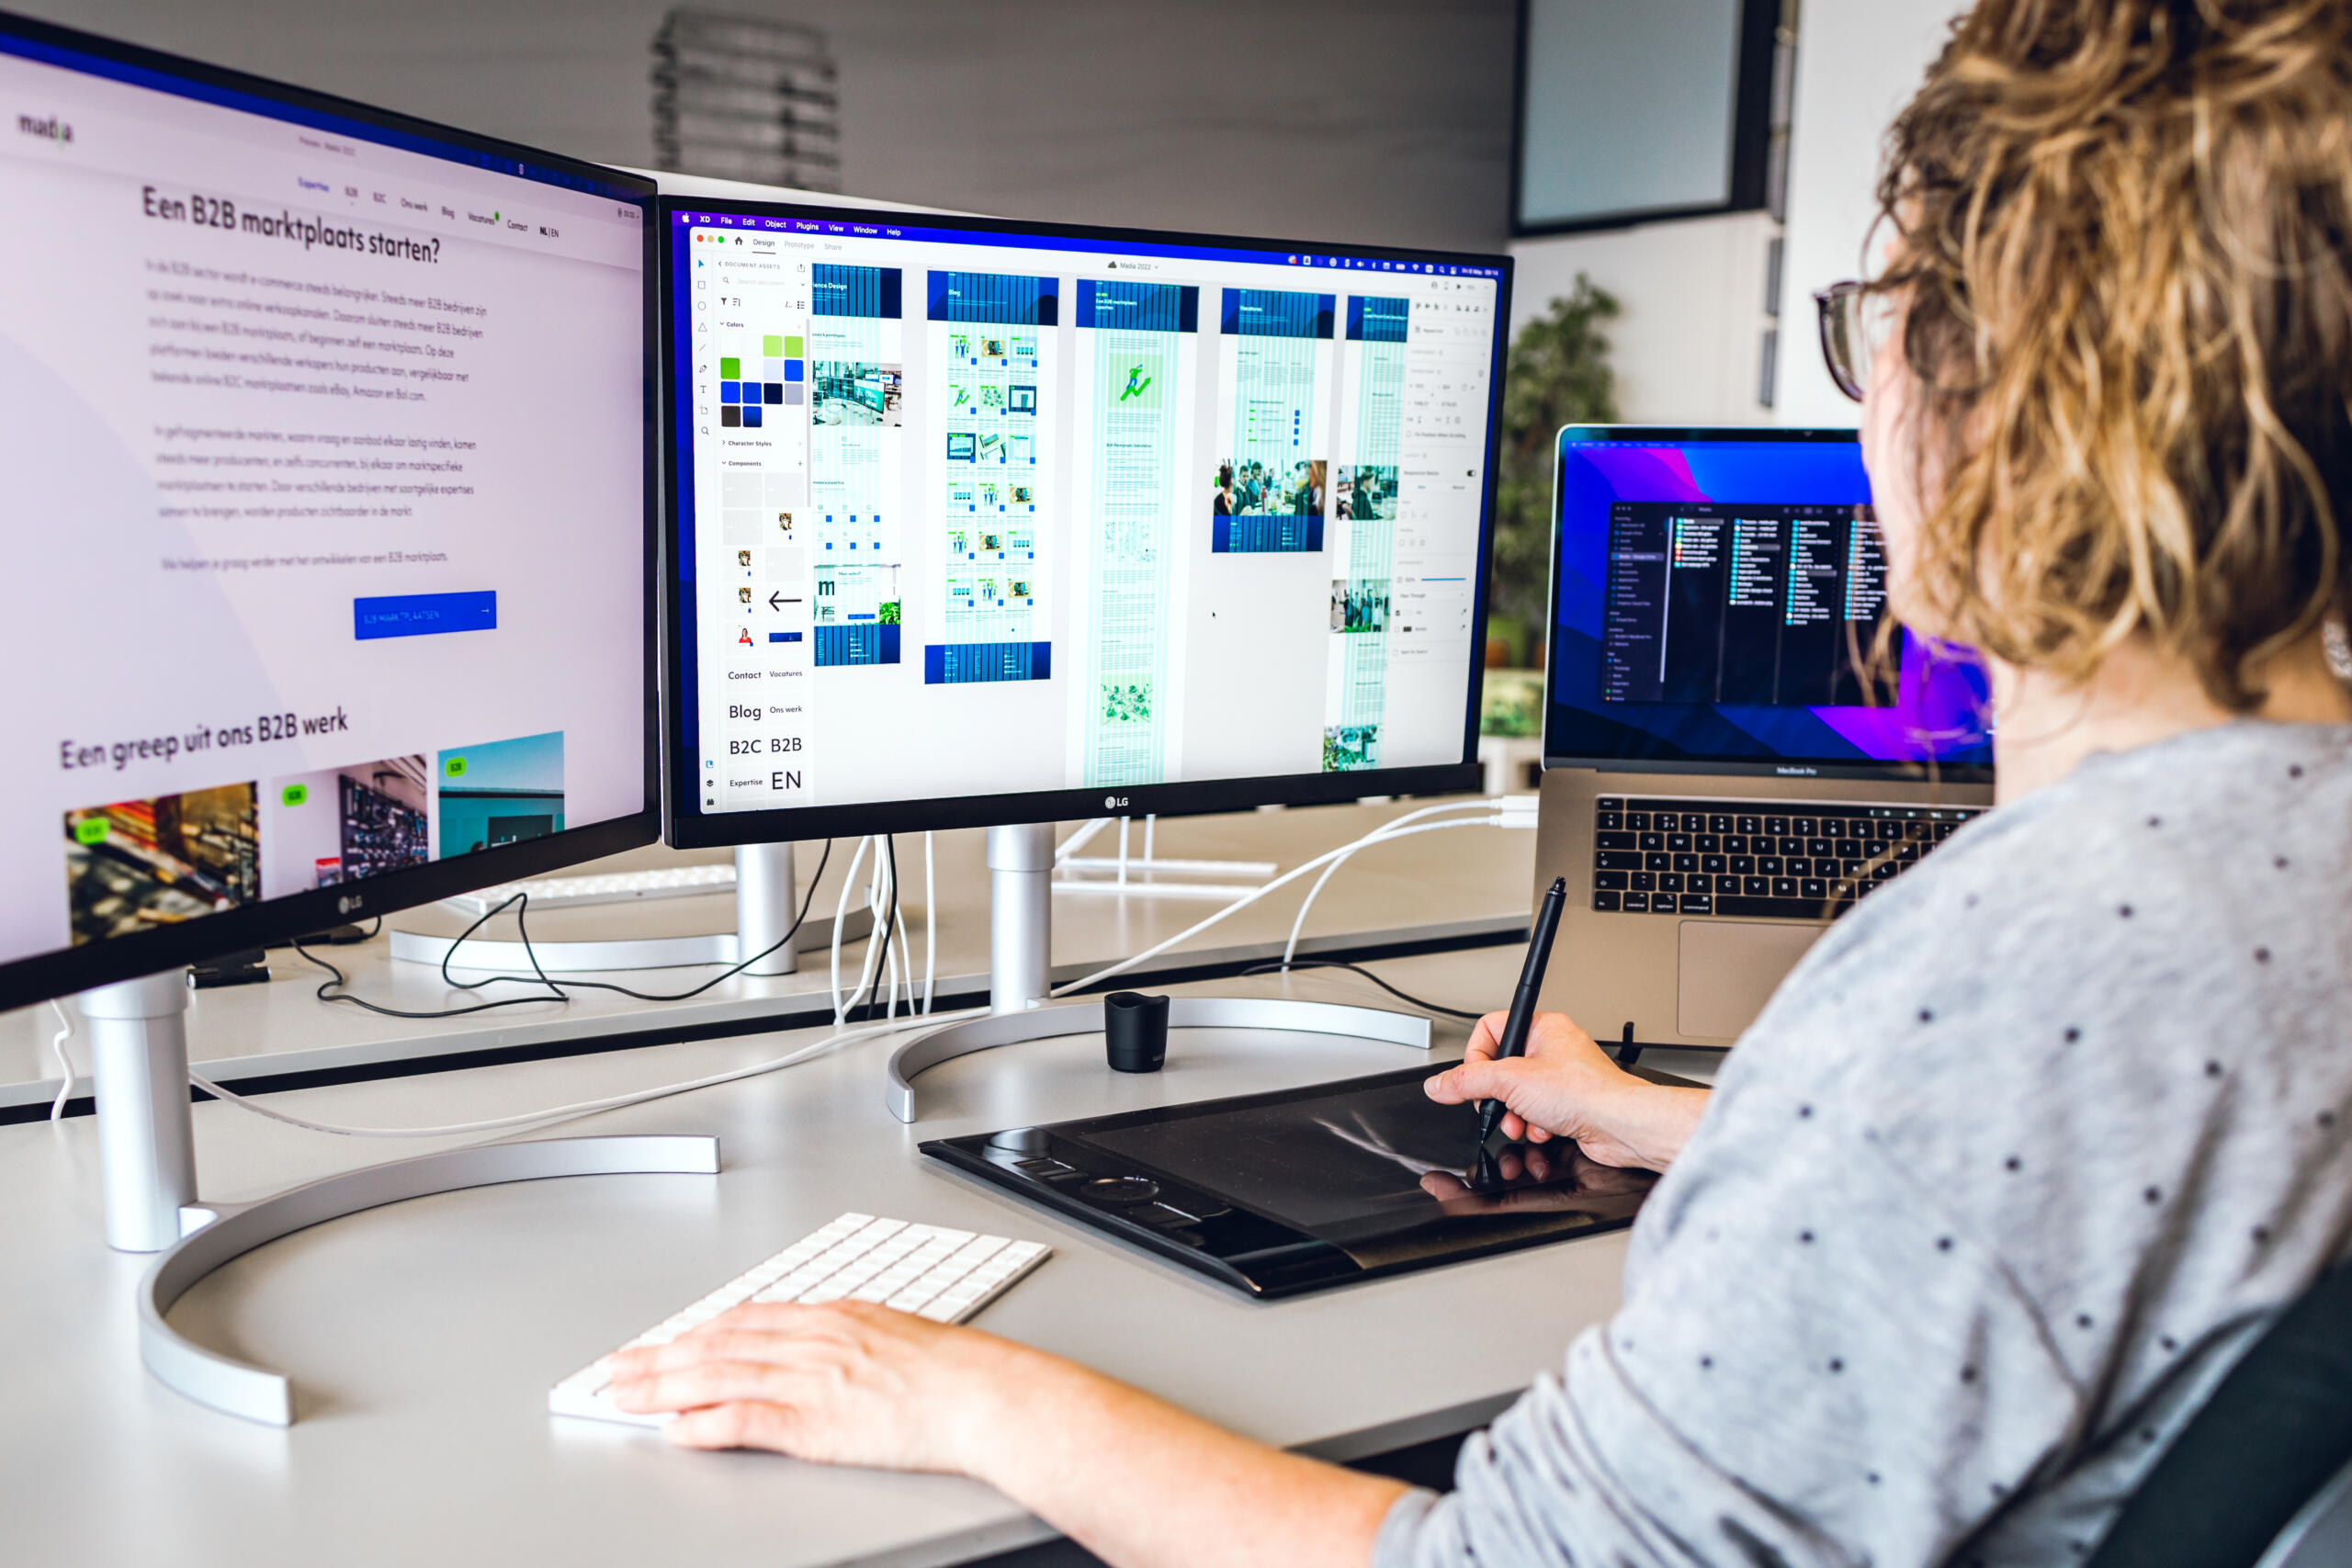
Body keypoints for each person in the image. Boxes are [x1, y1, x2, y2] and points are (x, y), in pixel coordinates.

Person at [605, 3, 2352, 1563]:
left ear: (1984, 397)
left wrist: (980, 1403)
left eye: (1868, 325)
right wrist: (1702, 1124)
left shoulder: (1996, 972)